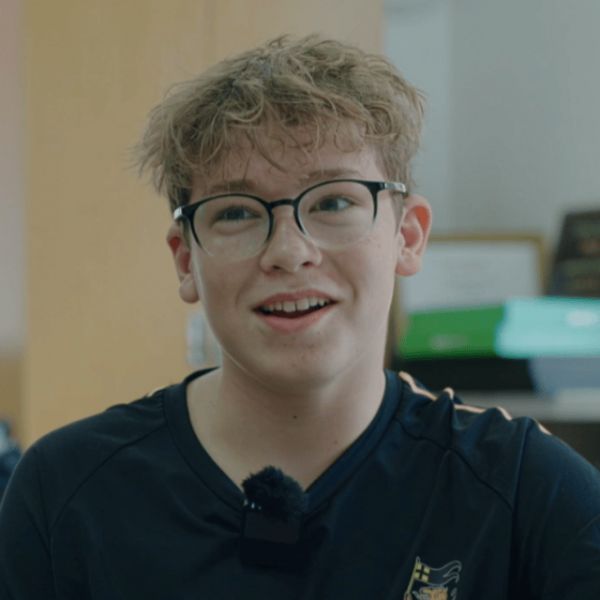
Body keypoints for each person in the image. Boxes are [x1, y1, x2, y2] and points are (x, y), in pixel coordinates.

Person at [1, 35, 599, 599]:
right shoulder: (66, 492)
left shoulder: (529, 493)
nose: (289, 252)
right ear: (186, 260)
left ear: (408, 236)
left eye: (334, 201)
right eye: (236, 213)